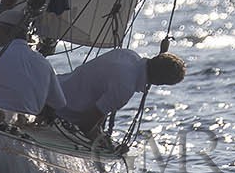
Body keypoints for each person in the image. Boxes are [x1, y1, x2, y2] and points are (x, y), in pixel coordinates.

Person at [55, 48, 186, 137]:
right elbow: (86, 124)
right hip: (59, 110)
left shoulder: (127, 54)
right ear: (159, 81)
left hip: (56, 85)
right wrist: (105, 145)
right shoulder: (125, 88)